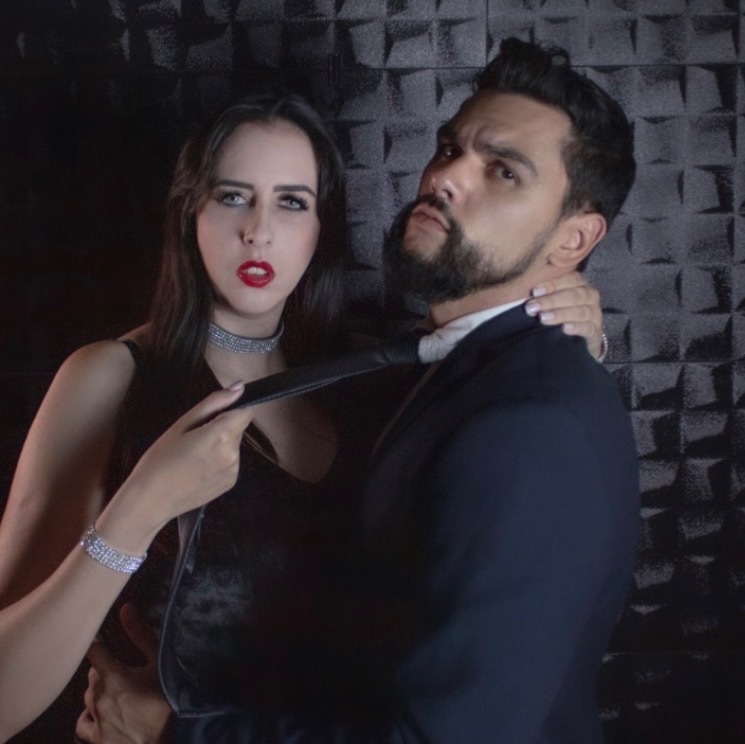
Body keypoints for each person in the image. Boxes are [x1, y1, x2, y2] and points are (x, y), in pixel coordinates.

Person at [0, 85, 603, 743]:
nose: (258, 230)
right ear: (190, 211)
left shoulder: (378, 378)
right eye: (233, 196)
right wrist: (138, 509)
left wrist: (563, 325)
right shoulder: (110, 379)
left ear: (321, 228)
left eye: (291, 202)